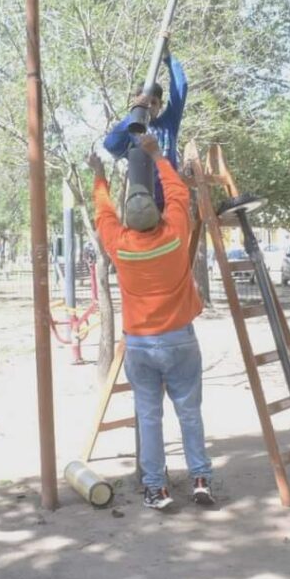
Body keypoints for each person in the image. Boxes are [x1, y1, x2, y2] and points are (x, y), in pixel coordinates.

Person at [88, 134, 214, 511]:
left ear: (129, 223)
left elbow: (102, 213)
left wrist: (99, 175)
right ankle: (201, 479)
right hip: (179, 341)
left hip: (140, 346)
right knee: (189, 412)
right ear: (158, 216)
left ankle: (156, 488)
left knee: (149, 415)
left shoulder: (121, 245)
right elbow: (177, 193)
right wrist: (158, 156)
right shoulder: (175, 235)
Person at [103, 50, 187, 210]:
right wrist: (134, 113)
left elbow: (181, 87)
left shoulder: (169, 123)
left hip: (169, 200)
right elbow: (110, 145)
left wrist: (168, 58)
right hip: (142, 205)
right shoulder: (132, 130)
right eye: (145, 103)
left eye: (153, 102)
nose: (149, 107)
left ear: (160, 105)